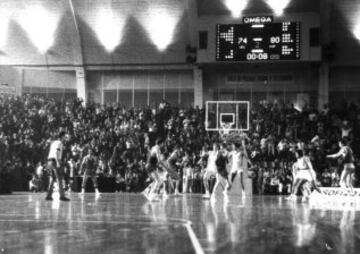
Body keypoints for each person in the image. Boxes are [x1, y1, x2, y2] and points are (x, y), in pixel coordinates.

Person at [46, 131, 70, 201]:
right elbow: (56, 152)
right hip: (55, 161)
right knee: (59, 178)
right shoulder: (59, 143)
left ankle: (48, 195)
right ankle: (62, 196)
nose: (66, 138)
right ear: (62, 136)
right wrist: (58, 162)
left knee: (52, 178)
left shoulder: (54, 142)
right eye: (65, 136)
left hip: (50, 160)